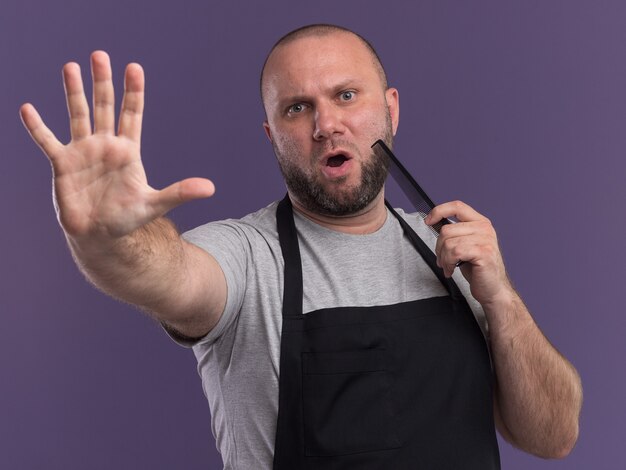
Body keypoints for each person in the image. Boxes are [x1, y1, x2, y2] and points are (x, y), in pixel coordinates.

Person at [21, 24, 582, 469]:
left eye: (345, 95)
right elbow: (167, 273)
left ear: (390, 109)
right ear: (272, 135)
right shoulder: (247, 254)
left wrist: (502, 298)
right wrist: (109, 239)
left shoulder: (455, 254)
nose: (326, 123)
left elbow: (552, 436)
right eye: (297, 107)